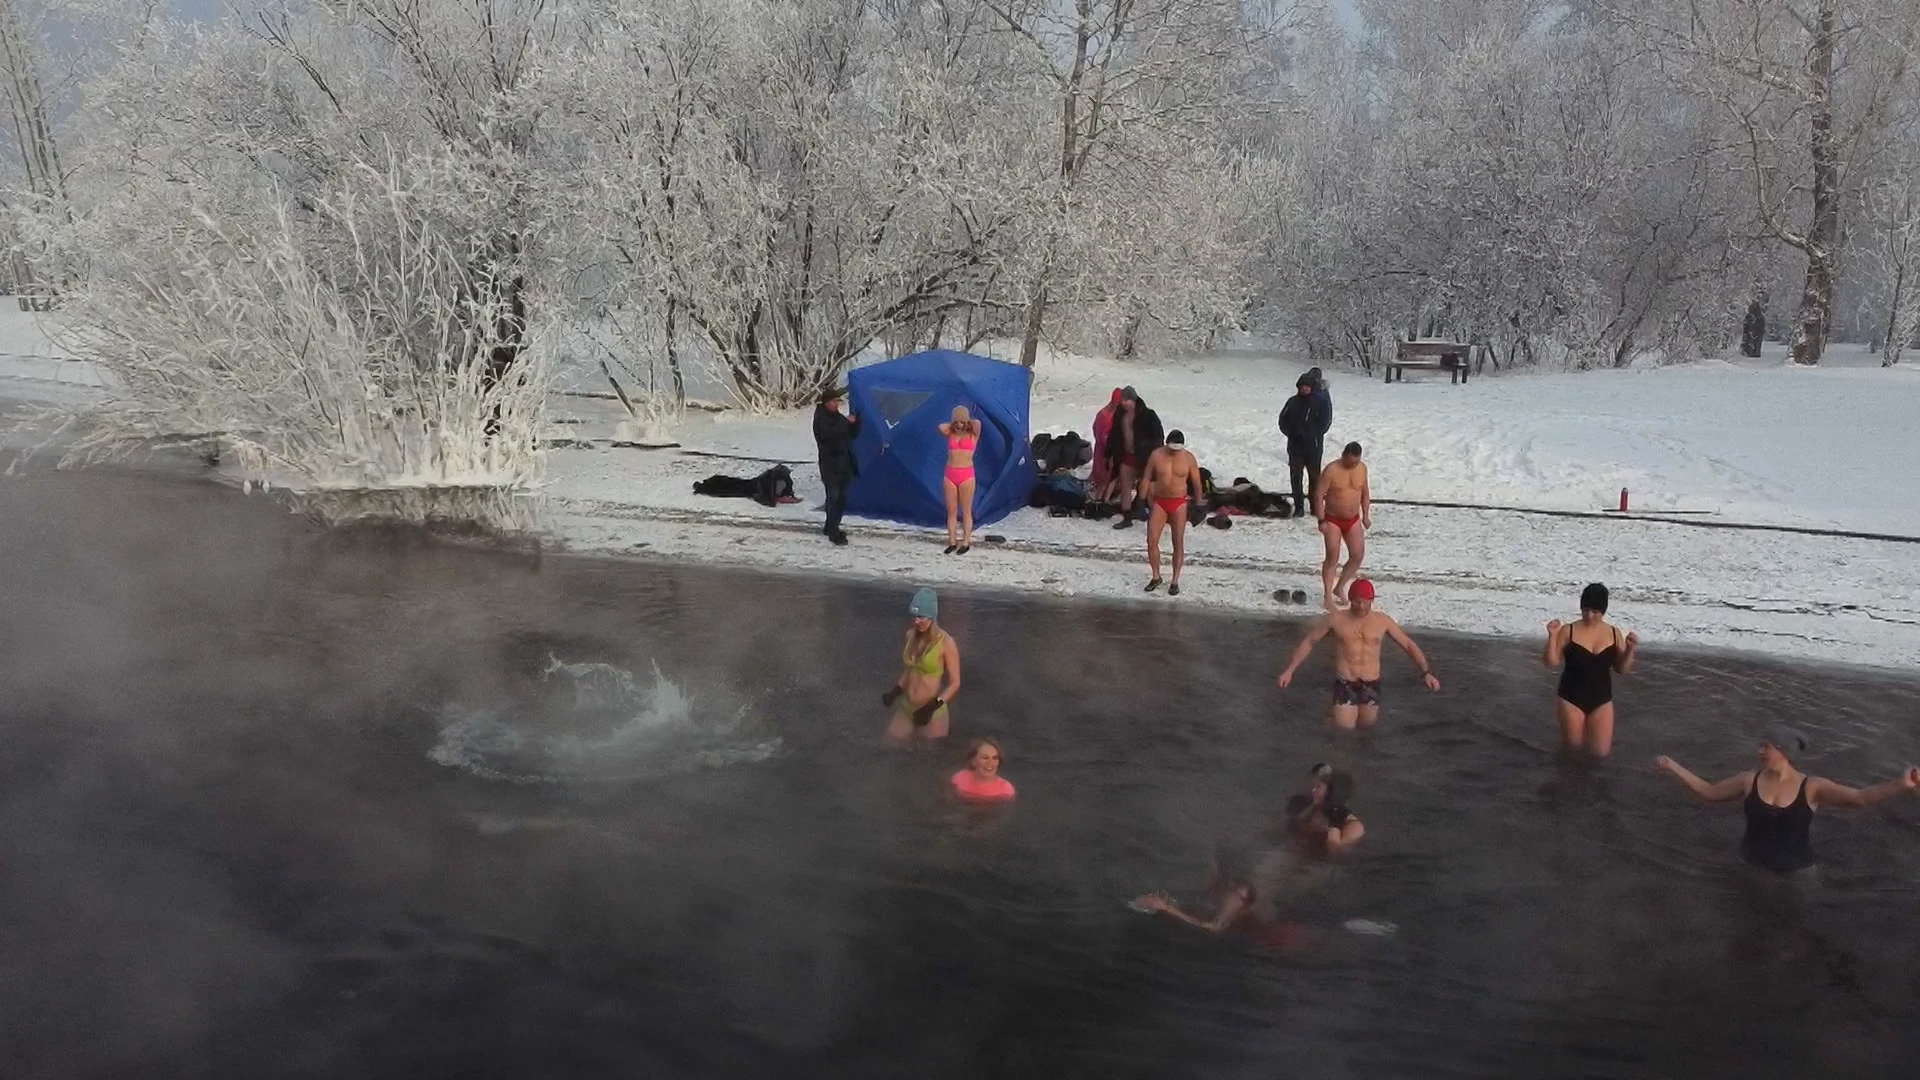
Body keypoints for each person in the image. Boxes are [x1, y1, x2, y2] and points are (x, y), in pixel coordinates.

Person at [1654, 728, 1920, 872]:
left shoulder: (1812, 787)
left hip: (1798, 874)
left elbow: (1859, 798)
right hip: (1750, 868)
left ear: (1784, 751)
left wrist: (1901, 784)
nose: (1759, 750)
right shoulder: (1749, 780)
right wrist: (1673, 767)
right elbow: (1708, 793)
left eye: (1765, 746)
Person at [1276, 578, 1440, 729]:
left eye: (1365, 602)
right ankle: (1331, 716)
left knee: (1366, 727)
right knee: (1344, 730)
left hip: (1371, 684)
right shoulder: (1336, 619)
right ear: (1350, 600)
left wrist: (1426, 673)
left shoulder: (1382, 621)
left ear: (1372, 601)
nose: (1361, 606)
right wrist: (1290, 670)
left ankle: (1333, 713)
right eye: (1356, 602)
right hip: (1345, 682)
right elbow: (1310, 641)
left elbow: (1408, 644)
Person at [1541, 583, 1639, 758]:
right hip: (1571, 698)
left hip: (1601, 699)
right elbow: (1551, 662)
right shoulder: (1569, 630)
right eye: (1585, 610)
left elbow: (1621, 669)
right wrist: (1552, 635)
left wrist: (1631, 649)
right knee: (1573, 750)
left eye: (1595, 612)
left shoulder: (1614, 634)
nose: (1589, 615)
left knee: (1601, 753)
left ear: (1603, 611)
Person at [882, 588, 961, 743]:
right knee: (888, 745)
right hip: (907, 707)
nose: (916, 621)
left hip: (931, 711)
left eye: (921, 617)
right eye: (914, 616)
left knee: (929, 756)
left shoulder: (946, 643)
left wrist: (932, 706)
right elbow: (910, 670)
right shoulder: (910, 635)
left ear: (932, 617)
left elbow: (955, 683)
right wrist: (896, 690)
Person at [1137, 429, 1205, 596]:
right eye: (1172, 449)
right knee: (1151, 540)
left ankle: (1174, 580)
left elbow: (1196, 482)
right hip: (1160, 501)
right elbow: (1146, 477)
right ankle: (1156, 576)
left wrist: (1198, 504)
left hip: (1179, 502)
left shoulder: (1188, 458)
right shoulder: (1157, 455)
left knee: (1178, 541)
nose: (1175, 453)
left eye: (1178, 450)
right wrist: (1140, 499)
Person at [1312, 441, 1370, 607]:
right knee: (1332, 557)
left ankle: (1340, 587)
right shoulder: (1332, 470)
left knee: (1357, 555)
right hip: (1333, 519)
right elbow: (1318, 496)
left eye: (1356, 462)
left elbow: (1365, 493)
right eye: (1350, 462)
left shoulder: (1362, 469)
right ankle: (1327, 595)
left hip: (1353, 518)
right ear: (1344, 455)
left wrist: (1366, 515)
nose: (1353, 465)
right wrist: (1321, 520)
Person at [1105, 386, 1164, 528]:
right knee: (1125, 485)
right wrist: (1108, 454)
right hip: (1127, 455)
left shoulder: (1147, 415)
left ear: (1134, 400)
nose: (1124, 403)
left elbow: (1158, 437)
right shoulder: (1120, 415)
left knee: (1148, 488)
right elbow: (1113, 436)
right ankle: (1126, 517)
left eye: (1127, 400)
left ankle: (1154, 515)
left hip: (1145, 457)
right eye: (1122, 400)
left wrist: (1153, 453)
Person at [1277, 369, 1332, 519]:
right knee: (1296, 477)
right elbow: (1283, 420)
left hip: (1313, 447)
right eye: (1302, 386)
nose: (1305, 389)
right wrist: (1292, 433)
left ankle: (1314, 506)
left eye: (1307, 386)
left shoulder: (1321, 402)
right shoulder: (1292, 402)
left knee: (1314, 478)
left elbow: (1326, 422)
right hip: (1295, 447)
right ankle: (1299, 506)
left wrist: (1314, 434)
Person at [812, 386, 860, 546]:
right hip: (830, 464)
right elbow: (828, 436)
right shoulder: (821, 418)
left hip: (844, 464)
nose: (836, 404)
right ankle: (833, 531)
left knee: (842, 498)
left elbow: (849, 435)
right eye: (834, 401)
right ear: (826, 402)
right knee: (834, 497)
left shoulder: (836, 416)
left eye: (838, 401)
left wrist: (855, 423)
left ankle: (831, 526)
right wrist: (845, 422)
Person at [1283, 763, 1365, 855]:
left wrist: (1334, 825)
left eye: (1318, 787)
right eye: (1312, 786)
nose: (1312, 790)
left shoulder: (1353, 826)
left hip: (1319, 864)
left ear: (1332, 793)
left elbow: (1337, 854)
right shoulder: (1308, 810)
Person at [938, 406, 980, 554]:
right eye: (956, 422)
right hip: (950, 474)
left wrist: (966, 420)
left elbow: (977, 423)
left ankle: (966, 540)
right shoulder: (950, 433)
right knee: (951, 511)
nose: (959, 425)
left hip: (966, 475)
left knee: (966, 511)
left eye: (962, 422)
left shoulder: (973, 435)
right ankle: (952, 541)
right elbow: (940, 427)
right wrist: (953, 422)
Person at [951, 736, 1016, 803]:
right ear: (973, 761)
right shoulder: (959, 778)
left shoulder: (1005, 790)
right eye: (985, 758)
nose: (990, 763)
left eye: (995, 758)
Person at [1089, 387, 1122, 496]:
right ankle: (1098, 499)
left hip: (1109, 449)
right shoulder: (1103, 415)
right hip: (1104, 451)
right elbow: (1100, 435)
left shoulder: (1115, 414)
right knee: (1103, 477)